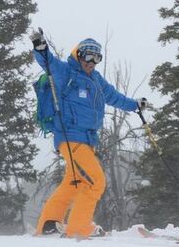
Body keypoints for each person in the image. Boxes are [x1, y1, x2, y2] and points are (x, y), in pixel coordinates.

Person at [30, 32, 146, 239]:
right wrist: (41, 48)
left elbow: (114, 97)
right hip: (70, 138)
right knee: (95, 182)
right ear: (79, 55)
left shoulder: (96, 80)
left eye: (96, 58)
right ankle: (78, 228)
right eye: (88, 56)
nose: (91, 62)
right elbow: (49, 63)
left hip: (87, 141)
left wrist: (134, 105)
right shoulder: (67, 72)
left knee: (74, 182)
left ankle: (49, 224)